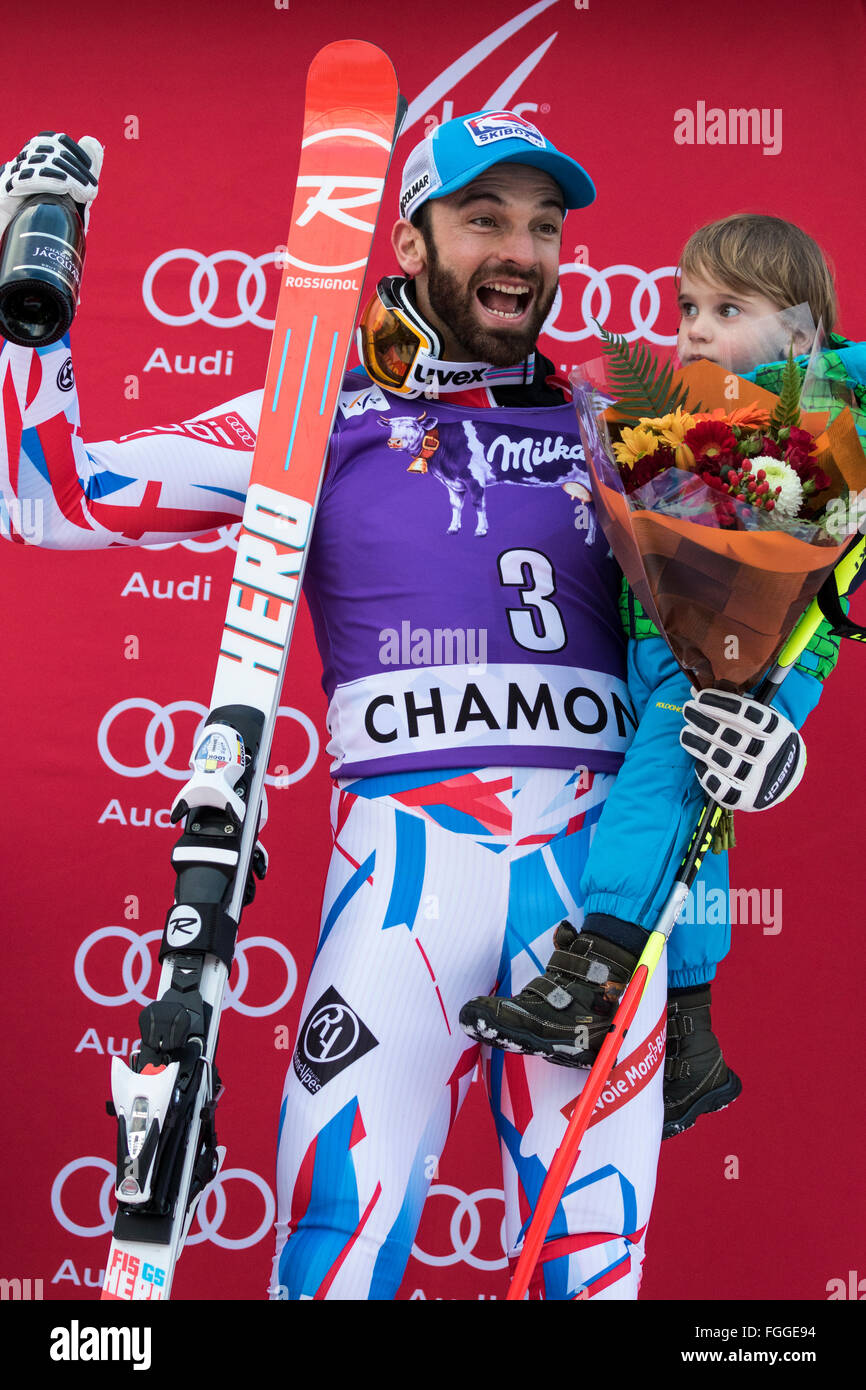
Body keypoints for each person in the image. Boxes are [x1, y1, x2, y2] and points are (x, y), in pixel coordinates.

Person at [0, 124, 825, 1299]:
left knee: (592, 1266)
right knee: (341, 1234)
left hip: (594, 904)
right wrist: (34, 275)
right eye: (485, 219)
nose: (522, 249)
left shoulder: (628, 430)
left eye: (544, 226)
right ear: (408, 240)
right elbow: (50, 492)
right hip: (402, 880)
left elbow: (769, 623)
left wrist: (771, 741)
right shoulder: (316, 413)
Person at [461, 211, 864, 1139]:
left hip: (737, 662)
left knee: (652, 794)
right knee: (698, 833)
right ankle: (690, 1039)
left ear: (801, 335)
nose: (693, 327)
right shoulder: (682, 414)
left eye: (728, 308)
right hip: (662, 648)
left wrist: (785, 703)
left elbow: (827, 601)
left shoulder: (823, 430)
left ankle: (590, 974)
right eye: (687, 305)